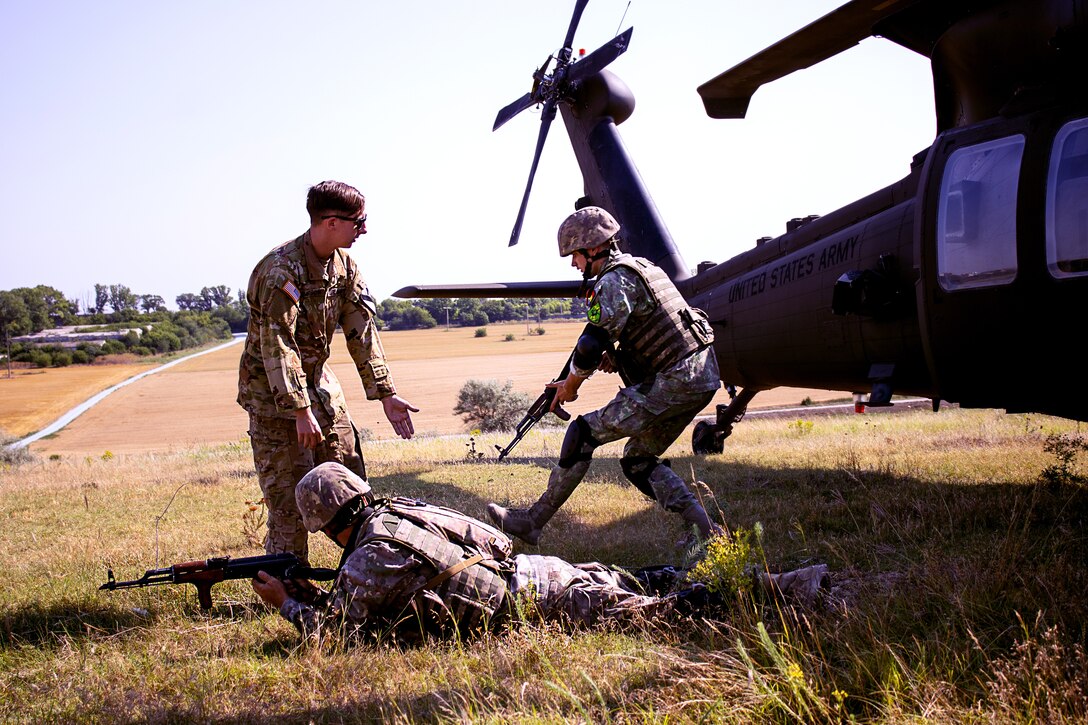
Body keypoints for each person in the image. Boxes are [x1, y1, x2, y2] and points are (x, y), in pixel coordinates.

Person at [251, 462, 830, 642]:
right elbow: (493, 541)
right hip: (537, 572)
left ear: (324, 525)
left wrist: (284, 602)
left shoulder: (368, 556)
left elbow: (336, 636)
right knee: (644, 580)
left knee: (663, 614)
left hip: (539, 606)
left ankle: (791, 589)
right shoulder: (402, 510)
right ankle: (766, 578)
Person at [487, 206, 721, 546]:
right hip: (700, 378)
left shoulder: (613, 280)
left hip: (675, 381)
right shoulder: (644, 268)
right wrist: (618, 355)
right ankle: (704, 529)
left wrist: (570, 386)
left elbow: (590, 344)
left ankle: (533, 522)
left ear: (593, 248)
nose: (573, 264)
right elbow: (650, 329)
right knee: (638, 460)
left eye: (575, 255)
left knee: (582, 433)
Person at [238, 180, 418, 563]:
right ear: (331, 222)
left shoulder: (345, 266)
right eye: (359, 221)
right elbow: (278, 344)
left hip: (320, 387)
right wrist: (299, 411)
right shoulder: (280, 271)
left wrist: (385, 393)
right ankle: (288, 590)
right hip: (274, 399)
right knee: (288, 502)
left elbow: (361, 331)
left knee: (352, 485)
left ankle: (369, 573)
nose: (364, 229)